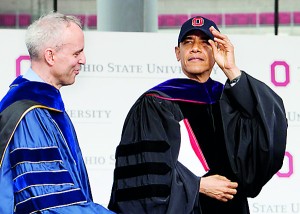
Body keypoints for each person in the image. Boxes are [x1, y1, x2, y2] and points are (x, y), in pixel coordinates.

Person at [108, 16, 288, 214]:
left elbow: (269, 130)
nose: (195, 48)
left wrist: (231, 69)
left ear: (217, 50)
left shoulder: (231, 100)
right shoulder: (155, 104)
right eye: (188, 42)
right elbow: (145, 176)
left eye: (205, 42)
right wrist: (197, 185)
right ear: (178, 53)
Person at [0, 11, 114, 214]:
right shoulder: (29, 114)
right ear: (50, 56)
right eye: (76, 53)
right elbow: (48, 203)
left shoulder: (40, 106)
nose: (84, 60)